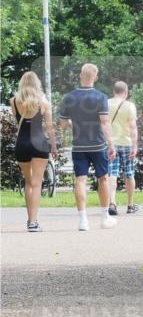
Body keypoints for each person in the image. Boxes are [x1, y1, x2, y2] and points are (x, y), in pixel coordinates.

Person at [59, 63, 116, 231]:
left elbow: (63, 123)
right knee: (103, 178)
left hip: (78, 146)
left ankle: (83, 220)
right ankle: (105, 218)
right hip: (98, 145)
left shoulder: (69, 97)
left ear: (80, 76)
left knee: (80, 180)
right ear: (96, 78)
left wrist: (75, 124)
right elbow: (105, 122)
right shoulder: (101, 97)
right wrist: (111, 143)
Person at [10, 72, 58, 232]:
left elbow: (18, 123)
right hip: (39, 143)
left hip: (22, 143)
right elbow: (50, 128)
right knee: (37, 184)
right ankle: (33, 222)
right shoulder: (44, 102)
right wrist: (54, 146)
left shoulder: (14, 101)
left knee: (28, 182)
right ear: (37, 84)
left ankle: (29, 220)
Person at [106, 81, 139, 215]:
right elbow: (132, 127)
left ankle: (112, 203)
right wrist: (135, 145)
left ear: (114, 92)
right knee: (129, 174)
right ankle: (130, 205)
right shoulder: (129, 106)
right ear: (125, 92)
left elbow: (104, 124)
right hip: (126, 143)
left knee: (111, 174)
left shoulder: (106, 104)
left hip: (111, 144)